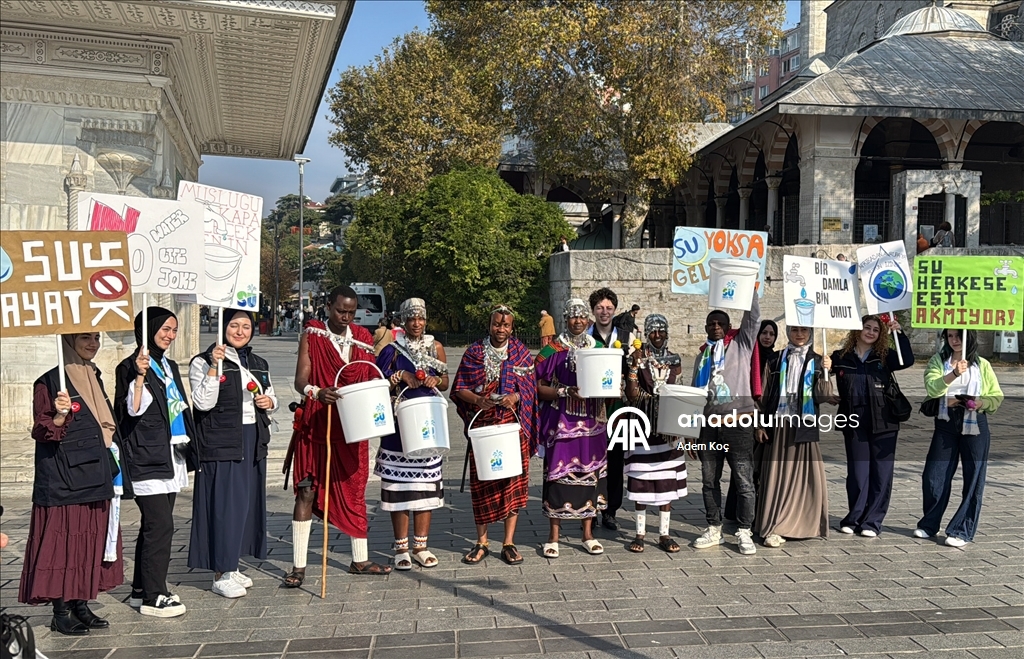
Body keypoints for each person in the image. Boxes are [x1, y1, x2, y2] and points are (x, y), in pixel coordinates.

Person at [283, 286, 392, 586]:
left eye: (350, 312)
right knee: (306, 489)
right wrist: (316, 392)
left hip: (351, 429)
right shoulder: (313, 334)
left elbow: (370, 379)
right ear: (328, 306)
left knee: (354, 490)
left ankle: (360, 560)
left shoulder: (363, 338)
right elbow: (300, 379)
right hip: (316, 423)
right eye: (340, 310)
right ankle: (298, 567)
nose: (345, 317)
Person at [19, 333, 123, 635]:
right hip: (65, 477)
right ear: (68, 340)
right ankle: (60, 609)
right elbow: (42, 429)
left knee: (88, 540)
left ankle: (80, 602)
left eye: (96, 338)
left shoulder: (93, 376)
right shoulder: (49, 382)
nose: (93, 344)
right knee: (64, 542)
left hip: (95, 470)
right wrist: (61, 415)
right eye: (85, 338)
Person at [187, 310, 277, 597]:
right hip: (222, 439)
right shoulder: (203, 361)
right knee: (225, 505)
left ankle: (233, 564)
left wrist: (268, 401)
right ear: (223, 328)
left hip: (252, 438)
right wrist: (215, 365)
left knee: (245, 505)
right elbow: (202, 403)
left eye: (246, 326)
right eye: (234, 325)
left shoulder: (257, 362)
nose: (240, 331)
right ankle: (220, 571)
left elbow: (272, 395)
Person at [114, 307, 194, 618]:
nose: (170, 335)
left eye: (174, 330)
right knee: (162, 525)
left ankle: (139, 590)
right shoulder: (130, 366)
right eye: (165, 329)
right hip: (146, 455)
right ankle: (154, 595)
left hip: (170, 452)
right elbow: (131, 411)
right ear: (148, 330)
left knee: (153, 525)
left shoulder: (169, 365)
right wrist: (139, 375)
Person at [452, 306, 537, 565]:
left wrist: (516, 396)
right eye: (497, 324)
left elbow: (531, 387)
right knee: (484, 485)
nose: (501, 329)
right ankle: (482, 542)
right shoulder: (474, 353)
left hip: (512, 426)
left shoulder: (521, 353)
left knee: (512, 483)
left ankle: (508, 543)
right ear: (489, 325)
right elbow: (459, 388)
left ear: (512, 328)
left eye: (506, 325)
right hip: (484, 428)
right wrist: (479, 399)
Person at [375, 299, 449, 570]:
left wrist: (433, 380)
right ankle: (401, 548)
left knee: (424, 486)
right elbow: (378, 382)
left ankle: (421, 545)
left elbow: (445, 380)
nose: (417, 323)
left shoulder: (435, 346)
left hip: (427, 424)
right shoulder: (391, 350)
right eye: (411, 319)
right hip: (399, 426)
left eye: (421, 318)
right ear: (403, 321)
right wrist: (401, 375)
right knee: (399, 488)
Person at [535, 298, 609, 558]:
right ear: (565, 319)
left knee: (589, 475)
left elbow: (609, 378)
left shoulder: (599, 347)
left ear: (588, 320)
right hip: (561, 421)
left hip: (591, 422)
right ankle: (553, 536)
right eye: (572, 316)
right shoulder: (552, 350)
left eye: (582, 316)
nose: (578, 321)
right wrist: (563, 391)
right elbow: (536, 386)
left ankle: (587, 534)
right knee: (557, 476)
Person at [690, 285, 761, 555]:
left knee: (743, 481)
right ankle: (714, 528)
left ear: (729, 326)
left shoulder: (741, 346)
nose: (716, 327)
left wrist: (750, 290)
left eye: (720, 323)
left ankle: (744, 531)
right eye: (711, 323)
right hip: (710, 428)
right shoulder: (701, 357)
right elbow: (697, 396)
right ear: (706, 327)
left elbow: (752, 319)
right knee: (709, 480)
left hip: (738, 425)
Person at [915, 329, 1003, 547]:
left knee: (973, 478)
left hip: (975, 423)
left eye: (959, 336)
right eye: (951, 336)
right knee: (934, 476)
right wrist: (953, 373)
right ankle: (929, 523)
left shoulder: (982, 364)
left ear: (969, 338)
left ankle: (962, 530)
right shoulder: (939, 360)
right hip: (946, 423)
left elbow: (996, 396)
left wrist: (980, 403)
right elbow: (932, 388)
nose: (955, 341)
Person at [830, 315, 914, 537]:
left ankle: (872, 522)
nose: (870, 332)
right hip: (854, 421)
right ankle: (854, 517)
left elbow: (907, 360)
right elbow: (817, 377)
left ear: (880, 335)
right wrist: (823, 369)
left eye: (875, 330)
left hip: (884, 421)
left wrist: (899, 334)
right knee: (858, 473)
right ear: (857, 330)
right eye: (866, 327)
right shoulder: (840, 357)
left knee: (881, 473)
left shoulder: (884, 356)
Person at [755, 326, 836, 547]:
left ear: (810, 332)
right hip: (779, 424)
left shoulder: (818, 360)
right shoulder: (775, 359)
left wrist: (827, 372)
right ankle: (774, 525)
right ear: (788, 331)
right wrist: (760, 425)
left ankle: (801, 523)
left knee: (803, 476)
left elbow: (823, 397)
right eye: (794, 330)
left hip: (804, 424)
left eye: (804, 330)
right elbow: (763, 394)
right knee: (776, 476)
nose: (799, 334)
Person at [623, 315, 687, 553]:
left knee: (666, 480)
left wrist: (685, 427)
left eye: (661, 331)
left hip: (669, 427)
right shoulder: (638, 358)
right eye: (652, 331)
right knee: (641, 478)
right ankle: (639, 534)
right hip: (642, 425)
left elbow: (680, 389)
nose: (657, 335)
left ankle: (664, 534)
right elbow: (631, 395)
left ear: (667, 332)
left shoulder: (675, 359)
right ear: (646, 334)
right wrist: (633, 366)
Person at [724, 319, 778, 523]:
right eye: (764, 332)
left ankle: (757, 512)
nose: (767, 337)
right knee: (743, 466)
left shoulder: (777, 359)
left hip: (770, 418)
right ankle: (736, 510)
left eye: (771, 334)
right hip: (747, 416)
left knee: (762, 468)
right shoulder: (747, 357)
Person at [587, 287, 624, 531]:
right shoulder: (586, 338)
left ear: (614, 310)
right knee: (591, 461)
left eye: (609, 308)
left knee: (615, 460)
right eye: (600, 307)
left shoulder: (627, 336)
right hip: (591, 408)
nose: (604, 312)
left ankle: (610, 510)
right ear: (593, 310)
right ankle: (588, 509)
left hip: (619, 408)